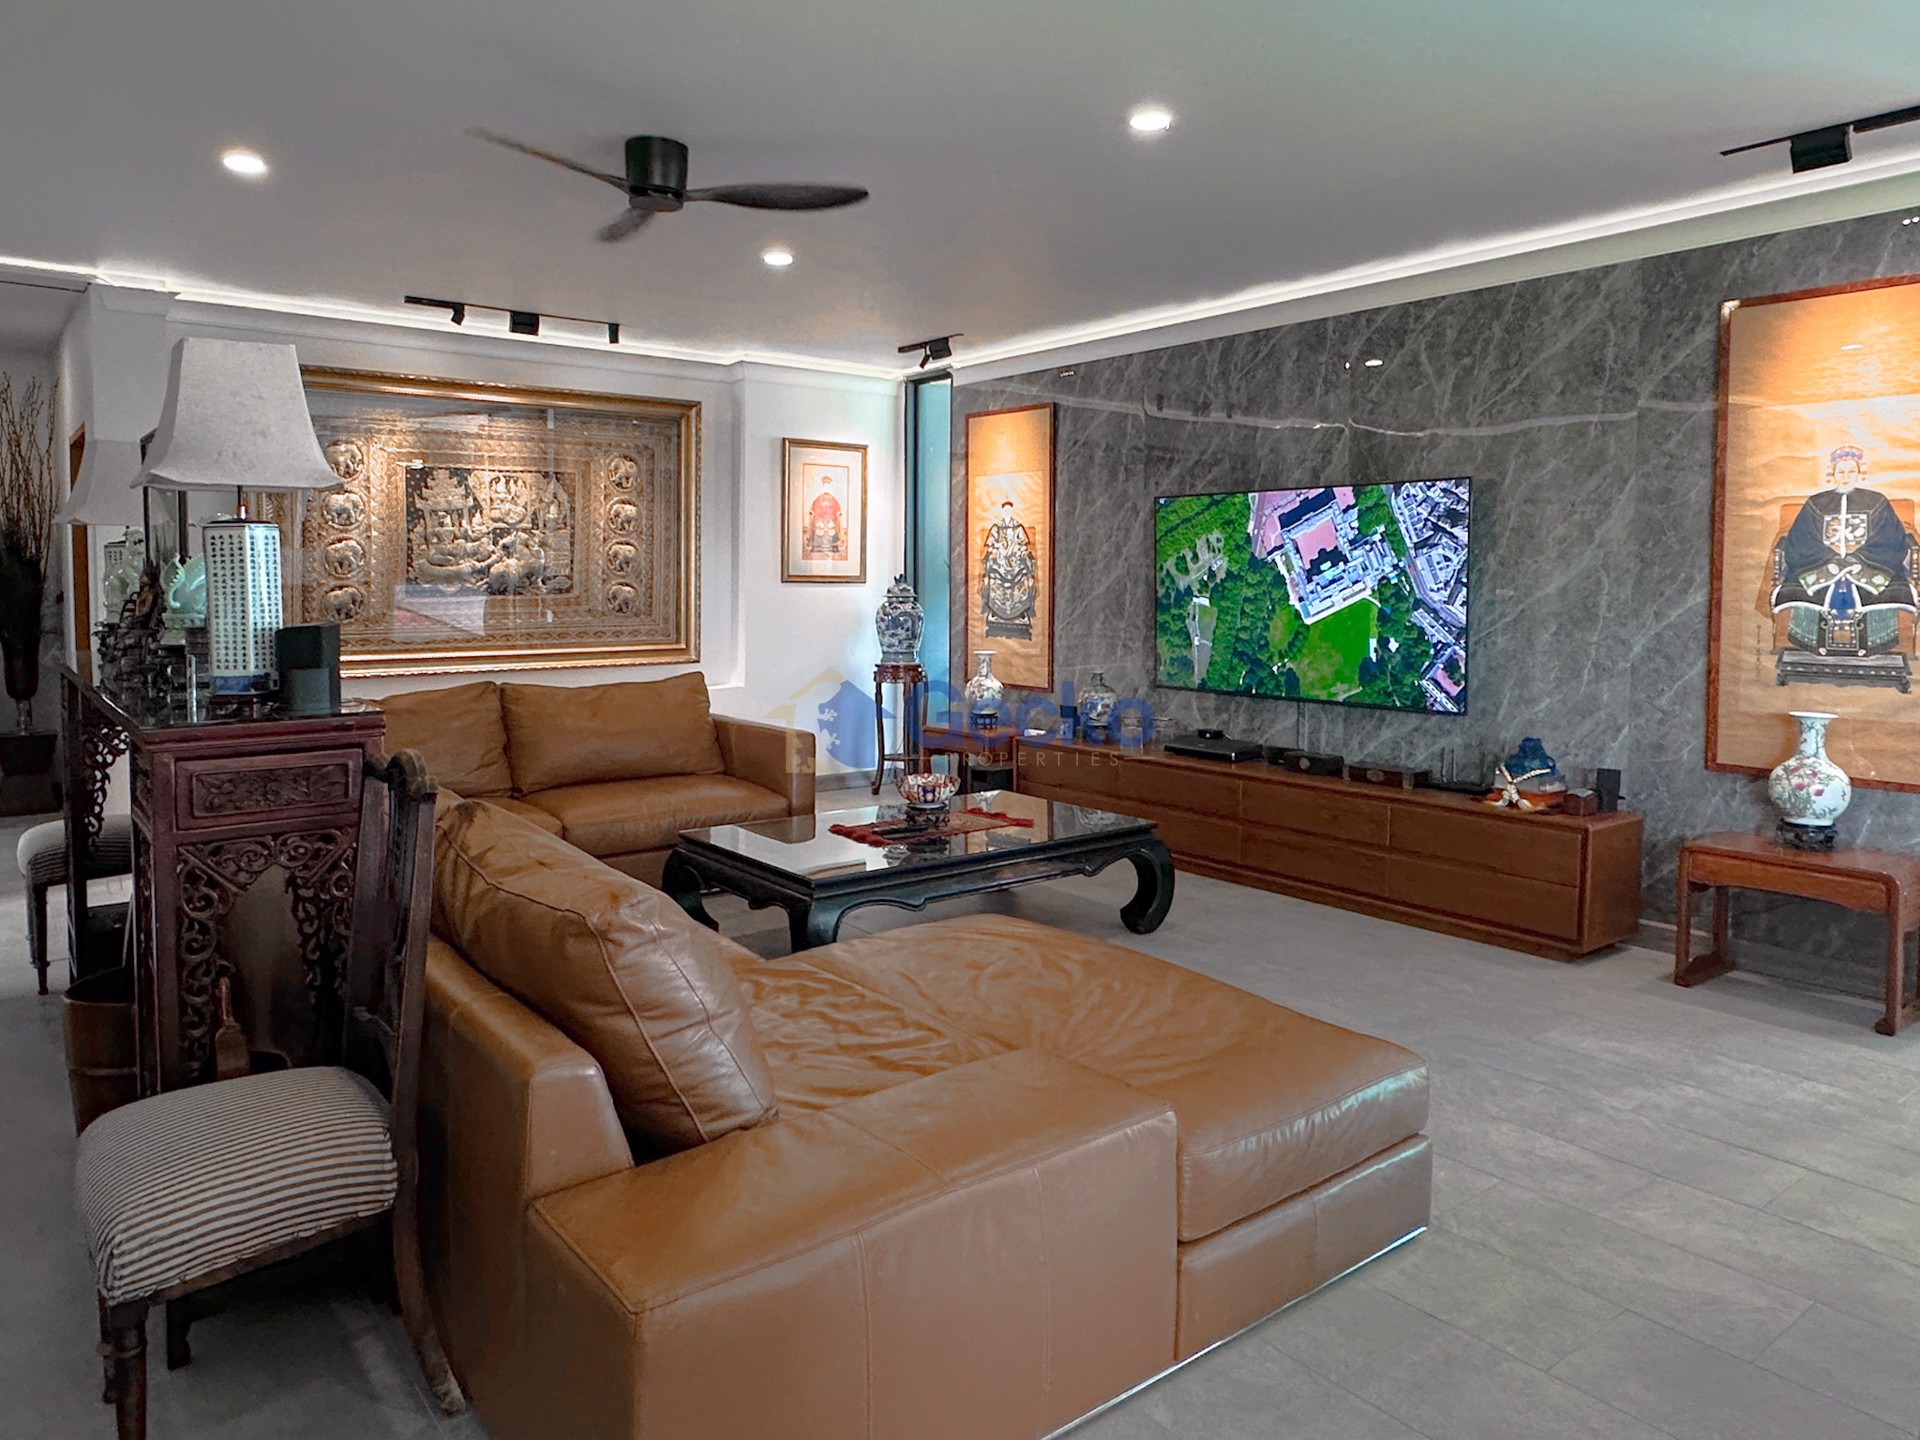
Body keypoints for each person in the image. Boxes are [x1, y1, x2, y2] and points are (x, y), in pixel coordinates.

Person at [1772, 445, 1917, 650]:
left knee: (1881, 585)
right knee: (1809, 583)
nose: (1846, 476)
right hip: (1820, 561)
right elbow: (1802, 537)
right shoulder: (1816, 503)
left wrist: (1856, 559)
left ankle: (1878, 644)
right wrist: (1830, 559)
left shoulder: (1877, 502)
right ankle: (1808, 644)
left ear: (1859, 472)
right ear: (1832, 473)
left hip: (1869, 562)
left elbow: (1889, 537)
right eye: (1841, 471)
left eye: (1851, 471)